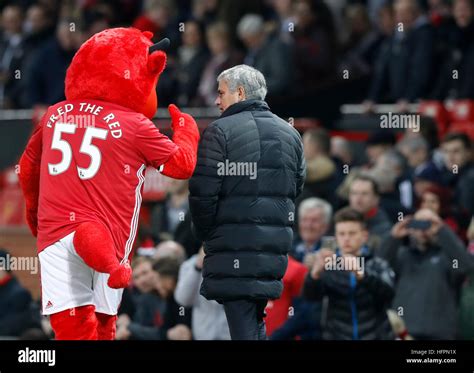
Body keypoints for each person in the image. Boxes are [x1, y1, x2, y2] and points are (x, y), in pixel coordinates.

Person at [18, 28, 200, 340]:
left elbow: (26, 169)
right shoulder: (135, 124)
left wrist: (33, 214)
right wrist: (187, 129)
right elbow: (182, 165)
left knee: (71, 330)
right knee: (104, 326)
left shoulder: (53, 115)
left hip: (54, 235)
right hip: (109, 239)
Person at [189, 64, 305, 340]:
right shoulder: (291, 133)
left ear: (240, 92)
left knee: (244, 325)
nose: (217, 101)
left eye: (221, 93)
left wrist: (206, 235)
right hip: (272, 249)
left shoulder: (219, 131)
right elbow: (296, 187)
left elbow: (202, 193)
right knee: (252, 323)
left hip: (232, 249)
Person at [379, 208, 474, 339]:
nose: (423, 230)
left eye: (428, 223)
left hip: (440, 333)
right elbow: (379, 267)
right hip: (404, 332)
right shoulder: (402, 255)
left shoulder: (448, 257)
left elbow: (465, 267)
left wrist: (443, 231)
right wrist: (393, 237)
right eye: (419, 224)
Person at [303, 207, 395, 340]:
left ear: (364, 236)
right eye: (341, 234)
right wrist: (314, 274)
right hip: (337, 336)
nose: (346, 239)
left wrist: (362, 275)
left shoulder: (377, 263)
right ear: (335, 237)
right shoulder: (328, 265)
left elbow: (389, 295)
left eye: (352, 233)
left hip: (376, 336)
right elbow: (311, 297)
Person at [174, 247, 231, 340]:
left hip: (230, 334)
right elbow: (183, 299)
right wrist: (197, 267)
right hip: (203, 335)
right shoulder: (190, 264)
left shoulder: (235, 261)